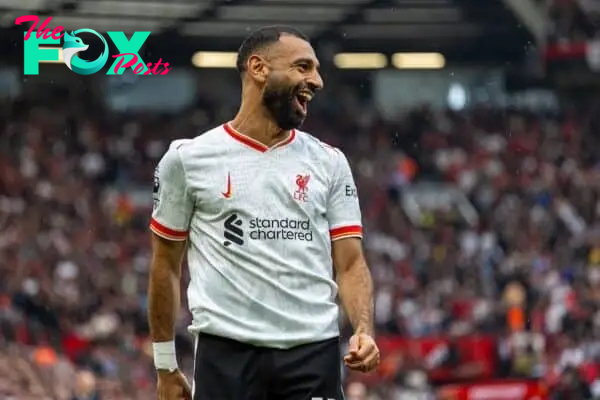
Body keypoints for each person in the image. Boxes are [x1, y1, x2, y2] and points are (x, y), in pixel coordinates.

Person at [147, 25, 380, 400]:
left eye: (317, 70)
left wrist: (364, 330)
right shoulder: (188, 160)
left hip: (312, 352)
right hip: (226, 354)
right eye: (303, 67)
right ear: (258, 68)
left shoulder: (330, 162)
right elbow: (165, 266)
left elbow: (351, 264)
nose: (317, 81)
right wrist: (165, 365)